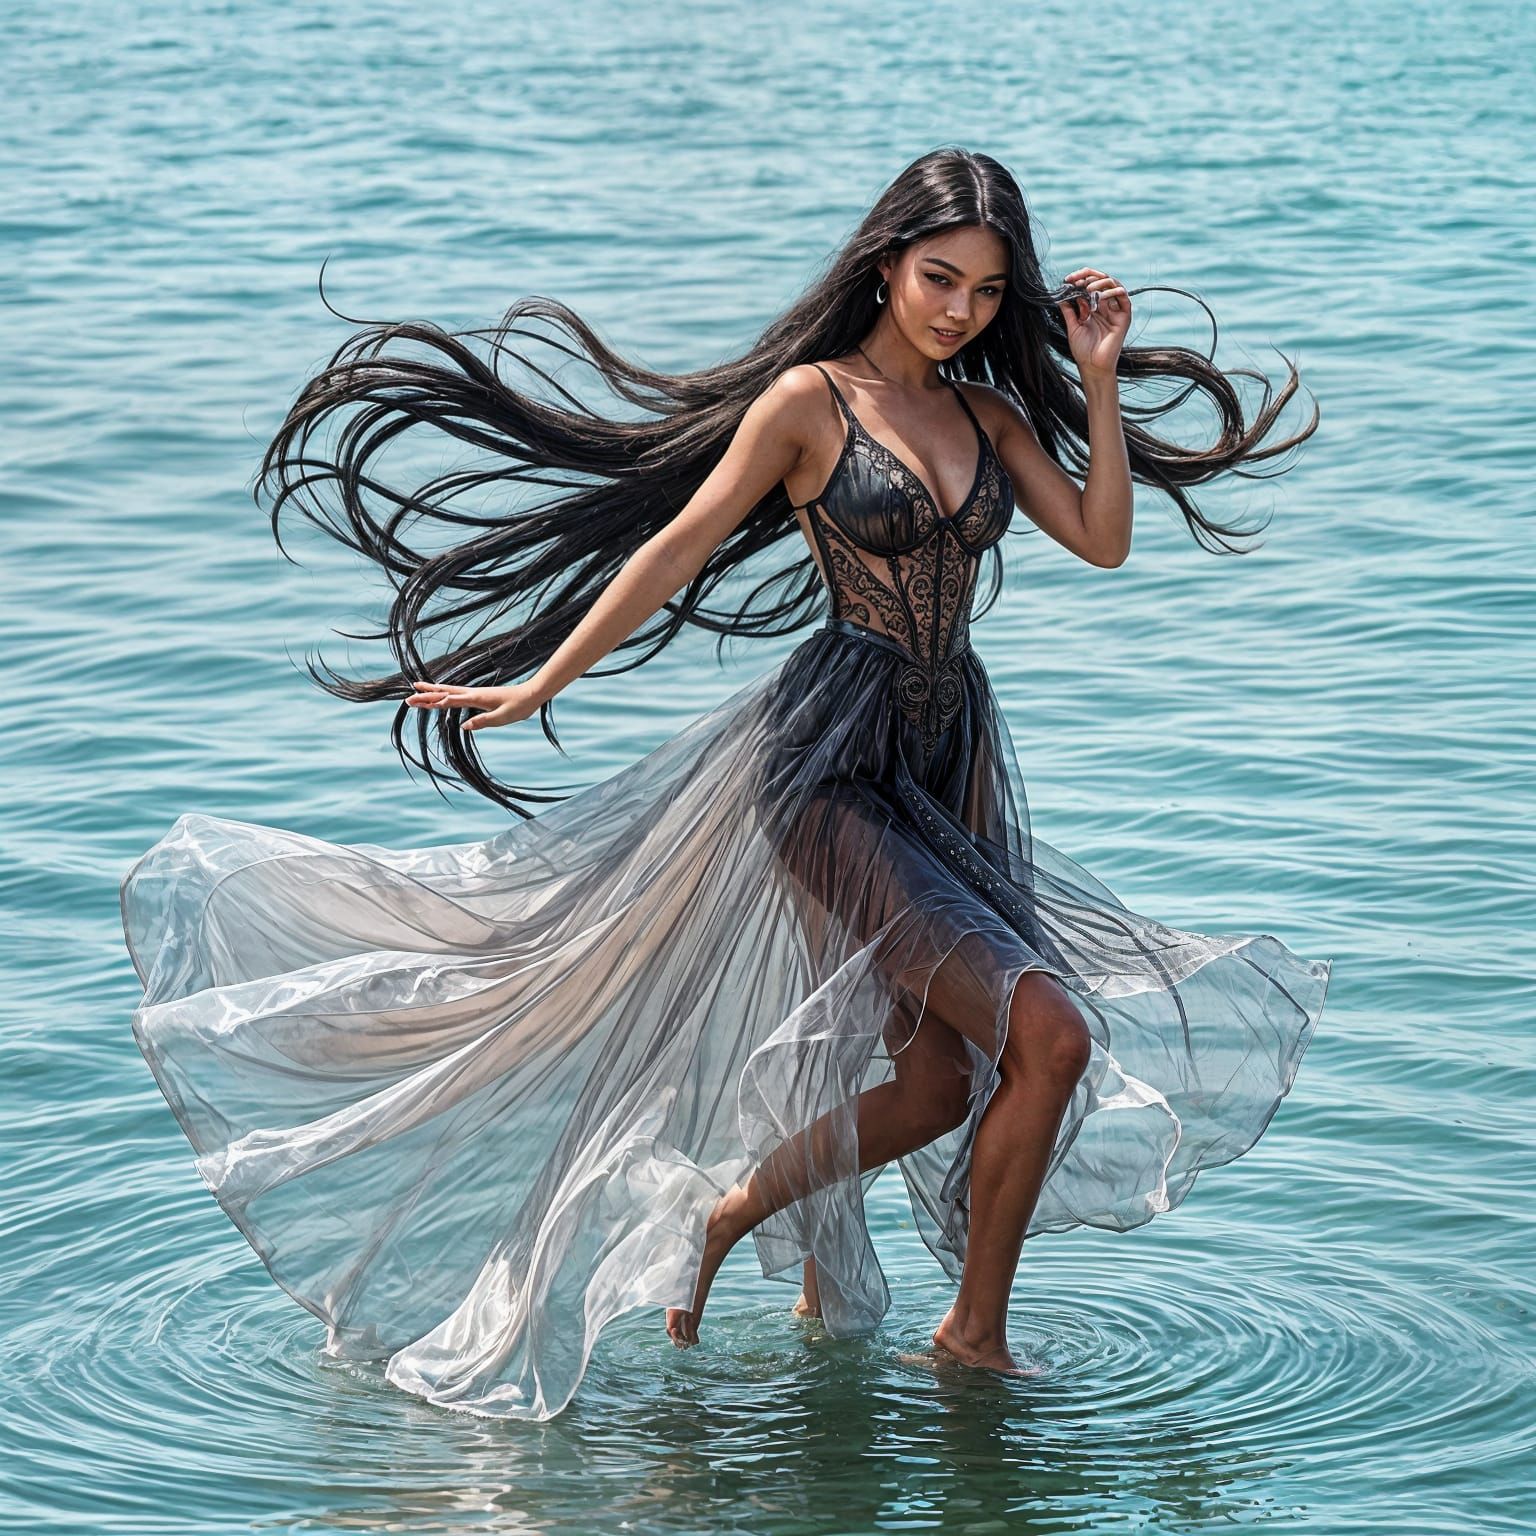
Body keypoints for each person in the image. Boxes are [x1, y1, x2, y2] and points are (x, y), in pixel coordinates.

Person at [121, 146, 1332, 1421]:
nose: (957, 310)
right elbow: (678, 543)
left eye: (984, 291)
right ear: (885, 263)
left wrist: (1090, 379)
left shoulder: (991, 417)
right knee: (1053, 1033)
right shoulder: (812, 402)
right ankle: (973, 1338)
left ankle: (733, 1207)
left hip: (952, 757)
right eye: (938, 278)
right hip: (830, 770)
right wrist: (539, 684)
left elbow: (1102, 539)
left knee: (935, 1084)